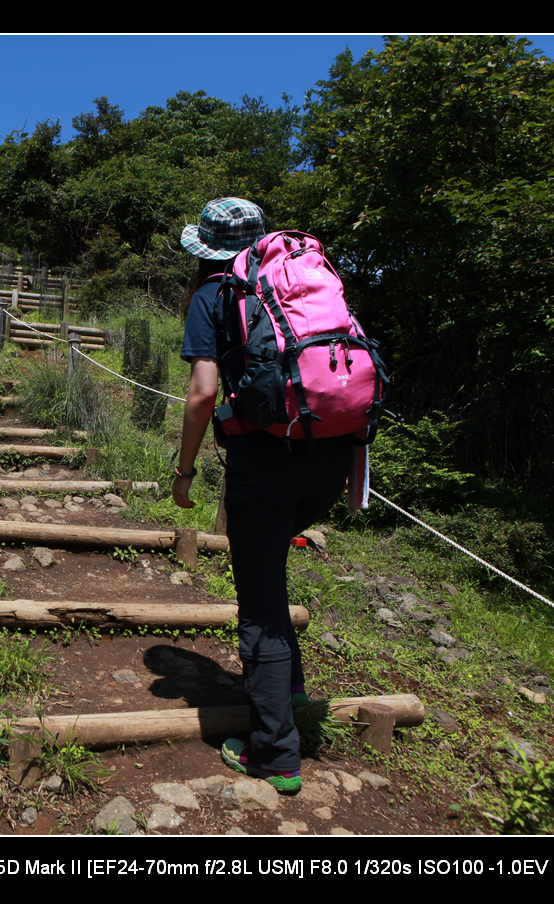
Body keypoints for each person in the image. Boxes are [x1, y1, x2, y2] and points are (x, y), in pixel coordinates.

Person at [172, 197, 349, 795]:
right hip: (328, 462)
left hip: (265, 468)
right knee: (273, 577)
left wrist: (184, 472)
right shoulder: (297, 284)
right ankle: (291, 688)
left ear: (207, 249)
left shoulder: (213, 295)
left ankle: (274, 753)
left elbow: (201, 395)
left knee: (262, 609)